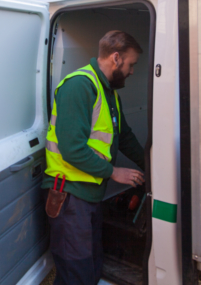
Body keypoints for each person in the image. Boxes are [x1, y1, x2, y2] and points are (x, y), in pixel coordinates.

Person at [42, 30, 146, 285]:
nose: (132, 71)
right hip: (69, 196)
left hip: (88, 195)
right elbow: (72, 149)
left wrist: (152, 164)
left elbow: (125, 136)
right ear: (116, 58)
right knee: (76, 272)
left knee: (91, 264)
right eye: (131, 64)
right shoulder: (80, 86)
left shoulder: (109, 92)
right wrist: (114, 172)